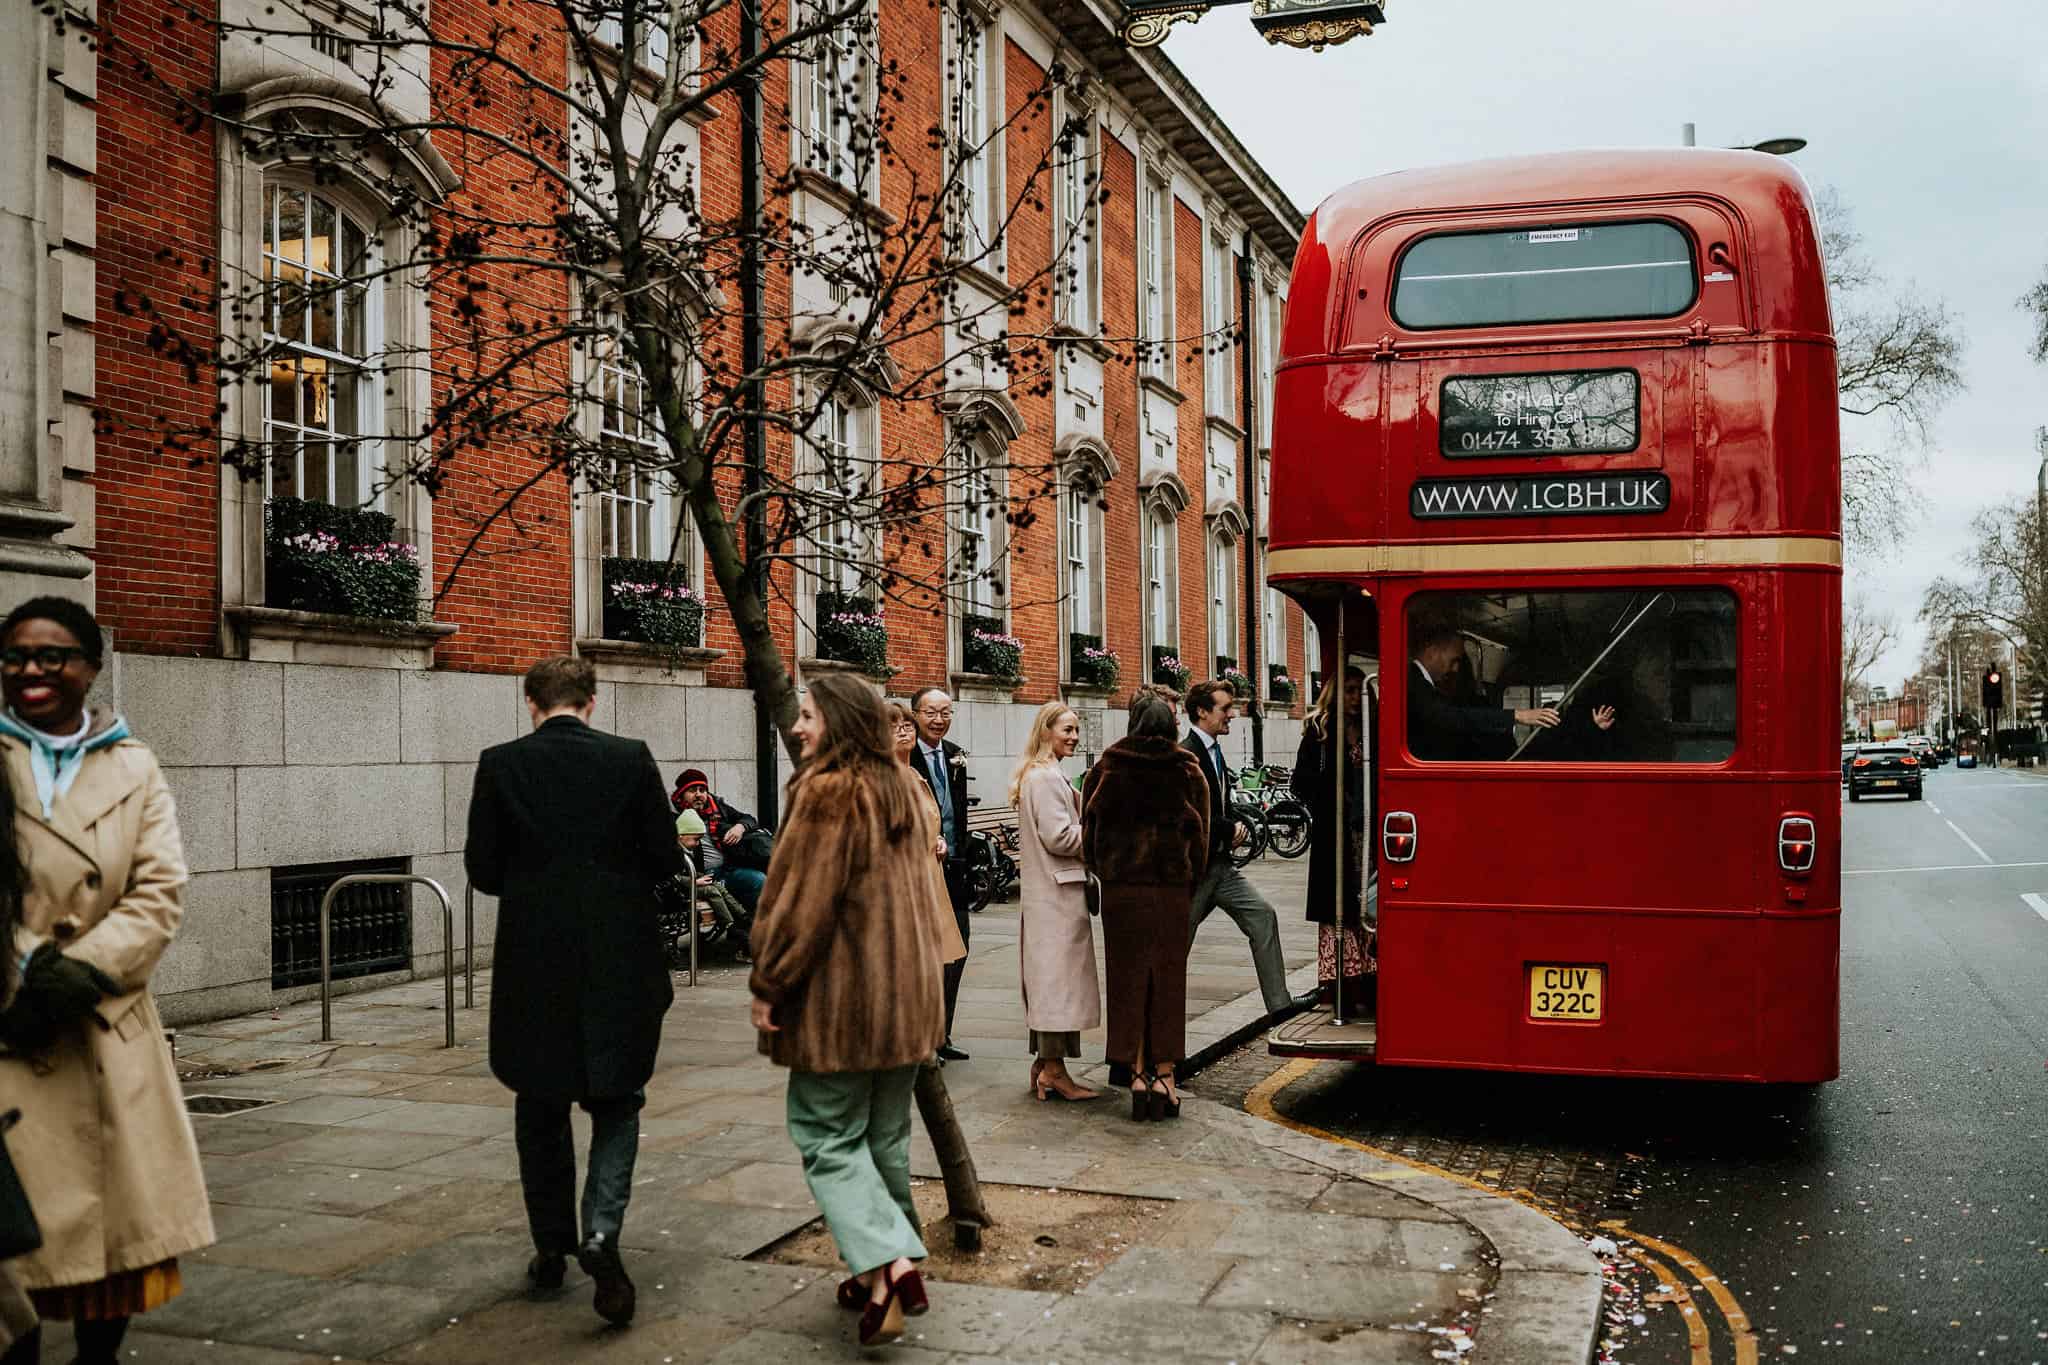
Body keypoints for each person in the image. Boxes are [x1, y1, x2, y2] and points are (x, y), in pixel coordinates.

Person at [0, 598, 214, 1364]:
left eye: (52, 656)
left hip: (103, 1032)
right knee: (10, 1263)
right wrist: (27, 966)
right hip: (10, 1029)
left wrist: (77, 974)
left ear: (89, 667)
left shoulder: (134, 764)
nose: (32, 670)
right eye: (17, 655)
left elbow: (160, 892)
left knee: (115, 1249)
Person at [465, 655, 681, 1327]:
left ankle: (550, 1245)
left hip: (535, 959)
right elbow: (666, 860)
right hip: (620, 956)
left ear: (531, 700)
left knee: (540, 1103)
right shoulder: (630, 757)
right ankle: (601, 1230)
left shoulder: (501, 763)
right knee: (618, 1103)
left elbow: (482, 868)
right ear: (592, 699)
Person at [748, 674, 949, 1348]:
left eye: (808, 715)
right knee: (884, 1137)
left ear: (836, 721)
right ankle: (880, 1276)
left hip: (842, 1002)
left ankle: (887, 1261)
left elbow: (798, 907)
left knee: (825, 1132)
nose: (799, 727)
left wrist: (769, 982)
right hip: (906, 999)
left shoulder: (826, 793)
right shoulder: (901, 788)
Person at [1084, 692, 1209, 1121]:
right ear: (1171, 726)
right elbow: (1202, 836)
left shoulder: (1107, 768)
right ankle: (1166, 1077)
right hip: (1171, 888)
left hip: (1123, 891)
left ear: (1133, 723)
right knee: (1168, 981)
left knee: (1127, 980)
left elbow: (1089, 833)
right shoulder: (1187, 768)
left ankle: (1135, 1072)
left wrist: (1106, 869)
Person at [1183, 680, 1303, 1016]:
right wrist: (1228, 827)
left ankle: (1280, 1006)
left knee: (1263, 916)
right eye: (1224, 709)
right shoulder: (1187, 753)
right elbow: (1191, 812)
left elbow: (1219, 804)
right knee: (1175, 948)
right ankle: (1156, 1029)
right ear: (1202, 712)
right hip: (1198, 871)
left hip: (1222, 868)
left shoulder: (1215, 751)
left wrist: (1237, 821)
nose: (1232, 715)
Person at [1009, 702, 1100, 1102]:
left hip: (1053, 894)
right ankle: (1054, 1071)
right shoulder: (1044, 778)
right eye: (1066, 729)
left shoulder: (1045, 774)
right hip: (1056, 896)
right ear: (1046, 731)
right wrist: (1098, 837)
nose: (1074, 736)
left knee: (1054, 984)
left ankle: (1046, 1066)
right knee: (1056, 986)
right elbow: (1059, 837)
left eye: (1076, 729)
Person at [1294, 667, 1376, 1014]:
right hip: (1337, 837)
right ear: (1335, 692)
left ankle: (1372, 983)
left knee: (1370, 904)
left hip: (1370, 833)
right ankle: (1343, 988)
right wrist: (1332, 801)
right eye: (1348, 690)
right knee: (1340, 910)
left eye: (1359, 691)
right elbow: (1300, 783)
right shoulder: (1319, 729)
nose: (1354, 698)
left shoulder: (1374, 727)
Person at [908, 686, 971, 1061]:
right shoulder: (903, 757)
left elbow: (957, 812)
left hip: (955, 870)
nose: (938, 720)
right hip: (921, 870)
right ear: (915, 715)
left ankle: (943, 1033)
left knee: (959, 948)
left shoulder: (954, 755)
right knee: (926, 955)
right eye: (930, 712)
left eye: (946, 712)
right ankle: (921, 1035)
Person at [890, 704, 967, 972]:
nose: (903, 731)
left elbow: (928, 823)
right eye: (893, 727)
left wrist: (938, 840)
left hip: (930, 879)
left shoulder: (914, 775)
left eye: (907, 725)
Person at [1408, 629, 1559, 761]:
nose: (1455, 669)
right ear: (1432, 652)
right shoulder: (1412, 682)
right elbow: (1448, 716)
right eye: (1453, 660)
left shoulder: (1421, 683)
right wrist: (1517, 715)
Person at [671, 770, 770, 916]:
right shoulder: (674, 817)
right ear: (681, 794)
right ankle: (739, 926)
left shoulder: (717, 808)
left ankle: (752, 925)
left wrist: (740, 827)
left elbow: (749, 819)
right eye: (692, 790)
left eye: (702, 790)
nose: (698, 794)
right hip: (702, 875)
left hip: (727, 868)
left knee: (759, 879)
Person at [675, 809, 751, 957]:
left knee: (718, 887)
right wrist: (695, 881)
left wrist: (702, 877)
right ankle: (730, 925)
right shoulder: (675, 853)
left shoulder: (690, 850)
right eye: (695, 839)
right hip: (679, 889)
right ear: (681, 836)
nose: (697, 844)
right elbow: (674, 877)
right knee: (712, 891)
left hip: (691, 883)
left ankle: (743, 916)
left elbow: (692, 870)